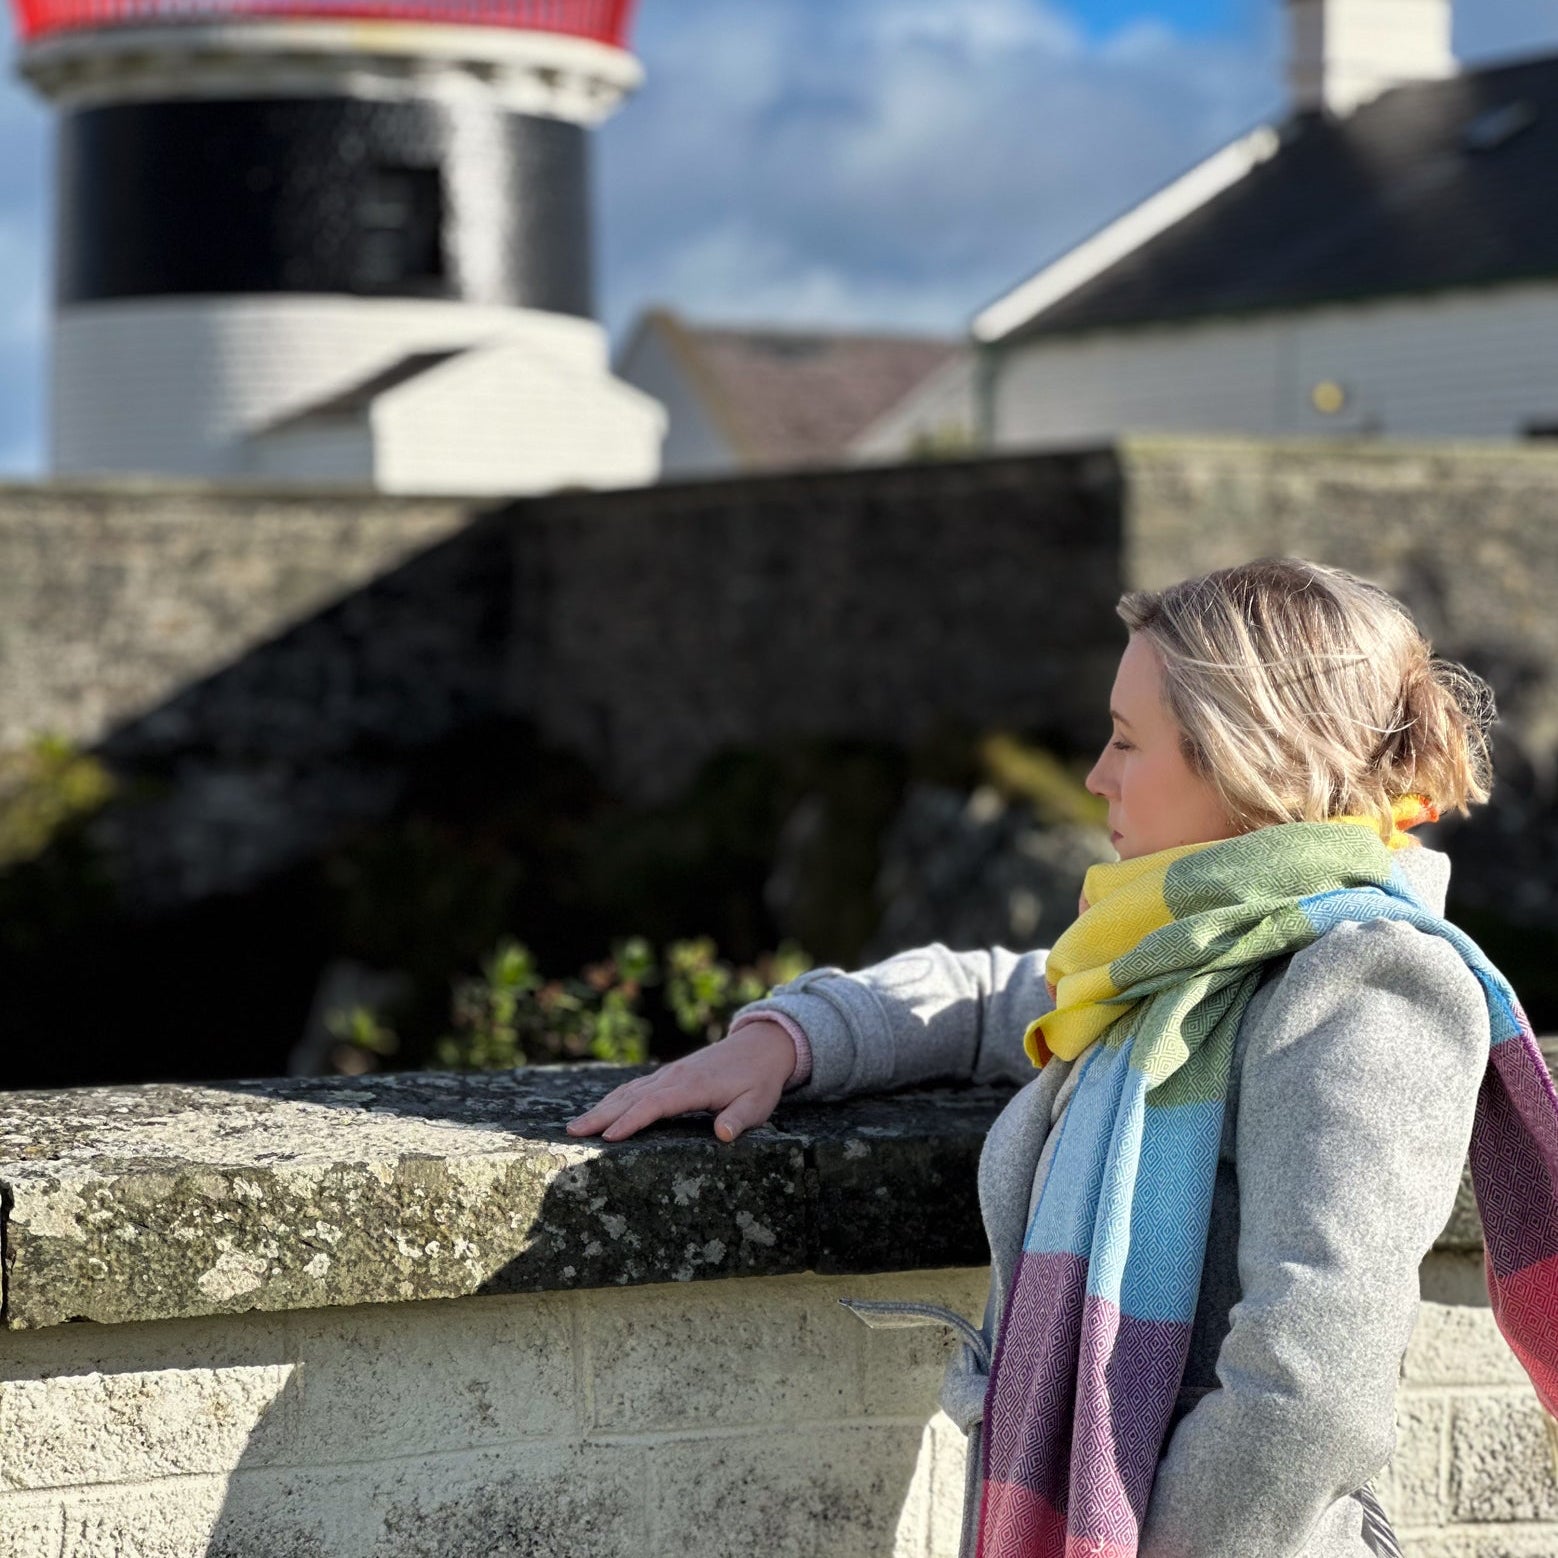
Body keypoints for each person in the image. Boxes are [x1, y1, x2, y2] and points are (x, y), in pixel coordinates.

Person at [567, 557, 1558, 1558]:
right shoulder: (1167, 962)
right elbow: (986, 993)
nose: (1095, 775)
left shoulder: (1364, 986)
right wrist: (786, 1038)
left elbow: (1310, 1389)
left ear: (1243, 756)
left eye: (1127, 740)